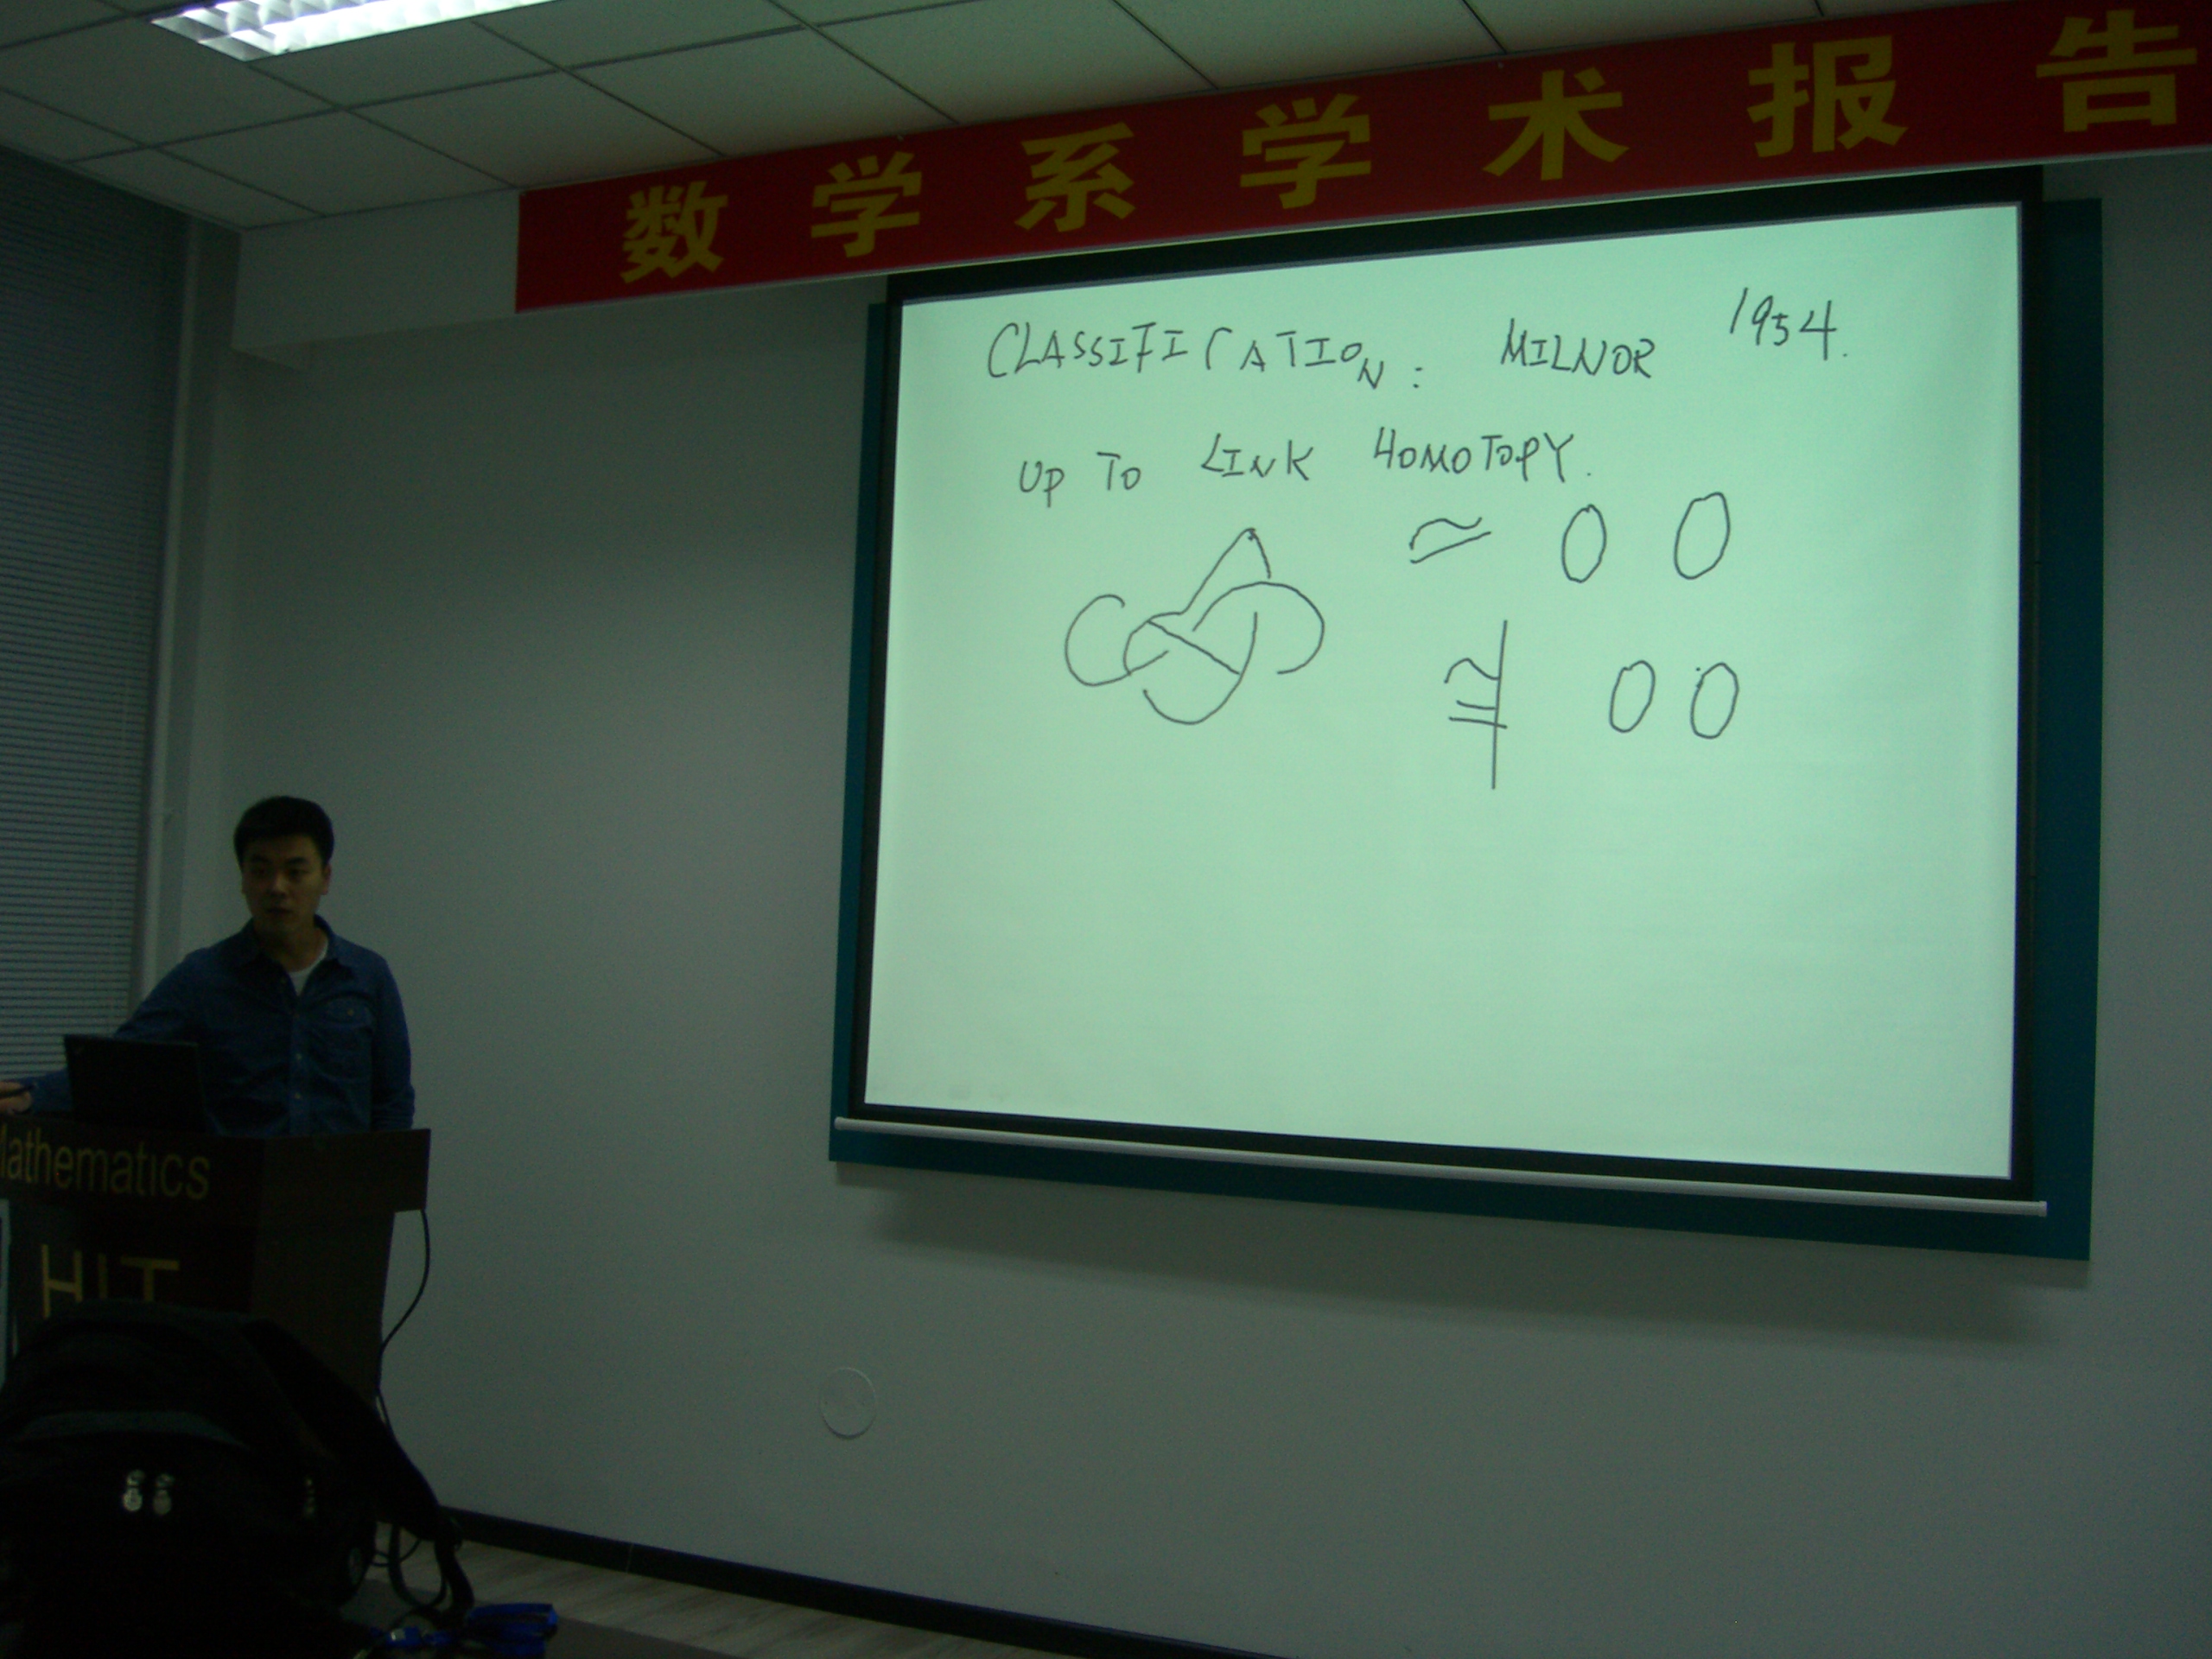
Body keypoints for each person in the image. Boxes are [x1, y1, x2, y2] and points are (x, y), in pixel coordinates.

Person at [0, 797, 414, 1135]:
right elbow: (120, 1065)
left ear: (324, 878)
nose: (277, 888)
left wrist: (383, 1188)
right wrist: (31, 1095)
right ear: (243, 879)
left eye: (295, 872)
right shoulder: (204, 978)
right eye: (261, 871)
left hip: (339, 1199)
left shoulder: (367, 976)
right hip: (234, 1195)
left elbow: (392, 1101)